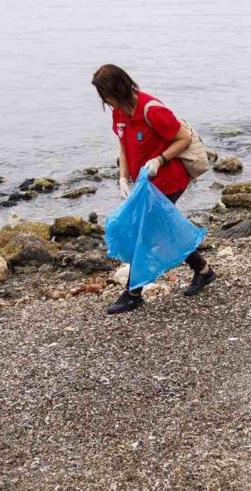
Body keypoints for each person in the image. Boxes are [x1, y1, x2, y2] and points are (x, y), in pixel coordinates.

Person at [91, 64, 215, 315]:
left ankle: (133, 293)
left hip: (170, 179)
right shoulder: (119, 113)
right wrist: (123, 178)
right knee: (163, 229)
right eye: (104, 97)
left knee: (145, 232)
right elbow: (124, 147)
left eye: (107, 94)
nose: (106, 101)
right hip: (145, 183)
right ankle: (204, 271)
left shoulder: (151, 109)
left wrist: (160, 160)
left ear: (119, 89)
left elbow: (184, 139)